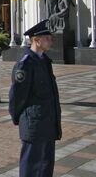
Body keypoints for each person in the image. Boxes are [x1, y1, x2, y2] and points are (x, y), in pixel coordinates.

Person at [8, 20, 62, 177]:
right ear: (36, 40)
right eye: (47, 38)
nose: (50, 41)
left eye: (50, 38)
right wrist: (17, 117)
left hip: (48, 120)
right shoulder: (25, 64)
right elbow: (17, 96)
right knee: (31, 165)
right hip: (34, 121)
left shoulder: (44, 60)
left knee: (46, 163)